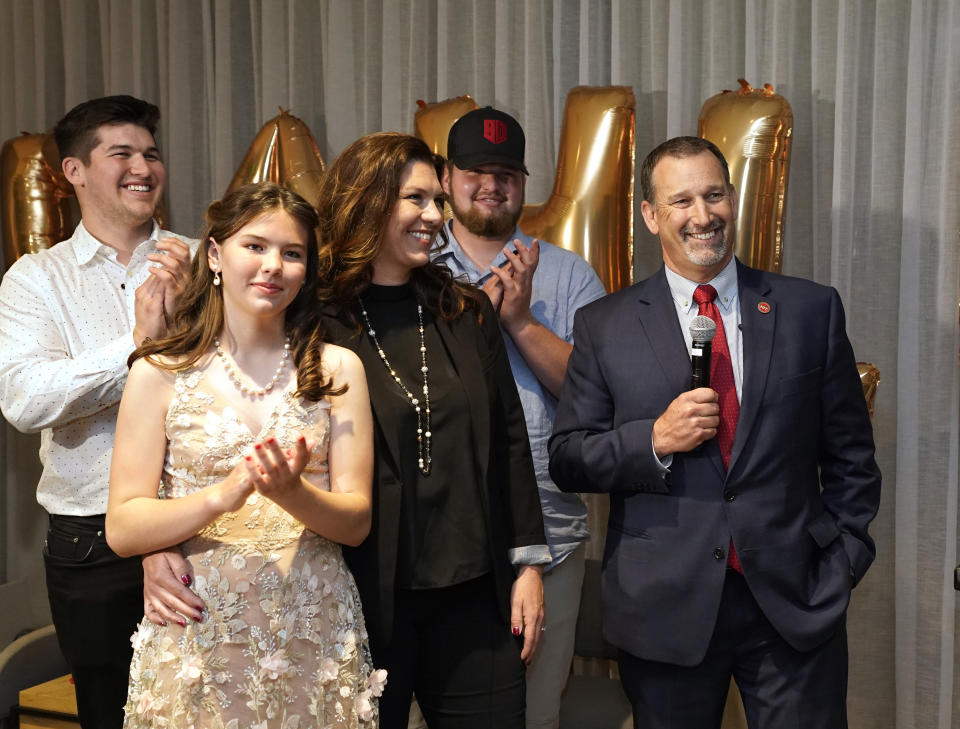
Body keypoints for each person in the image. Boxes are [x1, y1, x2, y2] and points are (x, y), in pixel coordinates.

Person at [548, 136, 881, 729]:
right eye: (681, 201)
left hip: (795, 603)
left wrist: (844, 557)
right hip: (664, 612)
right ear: (651, 216)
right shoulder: (605, 325)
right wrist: (653, 439)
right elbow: (569, 457)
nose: (701, 216)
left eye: (714, 195)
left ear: (733, 199)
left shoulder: (810, 309)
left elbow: (852, 454)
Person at [106, 182, 383, 728]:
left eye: (292, 253)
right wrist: (222, 495)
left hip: (314, 630)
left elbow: (356, 522)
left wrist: (292, 493)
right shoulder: (158, 373)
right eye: (255, 246)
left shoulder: (337, 370)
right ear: (214, 255)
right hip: (199, 634)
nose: (273, 265)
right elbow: (123, 526)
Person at [314, 132, 549, 729]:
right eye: (415, 199)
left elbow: (510, 440)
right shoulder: (313, 323)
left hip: (475, 593)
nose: (434, 216)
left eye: (436, 200)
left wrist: (528, 566)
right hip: (363, 595)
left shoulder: (464, 311)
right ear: (365, 202)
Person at [0, 95, 200, 729]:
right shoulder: (35, 280)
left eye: (151, 153)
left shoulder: (205, 262)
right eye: (122, 153)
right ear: (75, 172)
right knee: (110, 712)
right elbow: (25, 400)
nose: (142, 165)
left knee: (210, 709)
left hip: (201, 525)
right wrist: (139, 348)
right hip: (89, 541)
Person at [432, 107, 606, 729]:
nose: (491, 184)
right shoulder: (414, 263)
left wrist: (522, 321)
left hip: (549, 537)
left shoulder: (566, 274)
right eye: (476, 170)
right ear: (446, 177)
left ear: (523, 184)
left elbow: (594, 396)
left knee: (534, 715)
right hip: (433, 541)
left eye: (506, 173)